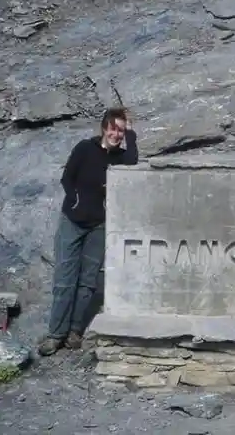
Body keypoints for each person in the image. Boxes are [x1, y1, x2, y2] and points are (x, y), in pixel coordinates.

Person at [38, 107, 139, 356]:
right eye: (114, 128)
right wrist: (75, 200)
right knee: (65, 280)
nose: (117, 134)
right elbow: (67, 178)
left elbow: (133, 163)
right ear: (104, 127)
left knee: (88, 282)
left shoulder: (121, 157)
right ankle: (55, 334)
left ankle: (74, 332)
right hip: (72, 220)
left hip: (99, 225)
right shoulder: (85, 148)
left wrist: (133, 134)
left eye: (122, 130)